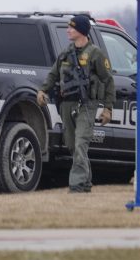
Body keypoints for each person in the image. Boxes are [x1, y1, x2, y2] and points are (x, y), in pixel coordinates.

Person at [37, 14, 115, 193]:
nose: (68, 30)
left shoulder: (95, 54)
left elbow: (108, 81)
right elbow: (53, 75)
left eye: (71, 27)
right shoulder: (65, 53)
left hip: (86, 105)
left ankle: (77, 185)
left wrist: (107, 109)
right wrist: (42, 90)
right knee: (72, 145)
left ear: (81, 31)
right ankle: (86, 181)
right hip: (66, 104)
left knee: (81, 143)